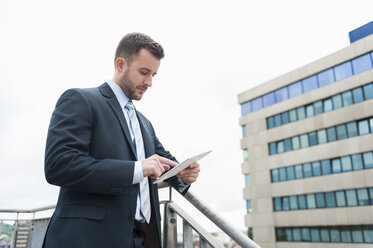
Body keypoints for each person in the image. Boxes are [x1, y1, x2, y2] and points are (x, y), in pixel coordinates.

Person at [43, 33, 200, 248]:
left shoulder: (144, 123)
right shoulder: (81, 100)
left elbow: (163, 162)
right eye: (144, 72)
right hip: (89, 239)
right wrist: (136, 169)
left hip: (141, 239)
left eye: (154, 74)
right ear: (120, 64)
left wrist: (182, 175)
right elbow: (59, 165)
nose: (150, 82)